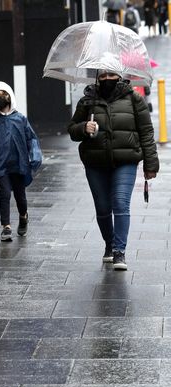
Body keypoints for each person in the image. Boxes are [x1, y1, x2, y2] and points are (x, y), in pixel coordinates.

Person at [68, 70, 159, 270]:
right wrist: (84, 127)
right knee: (102, 208)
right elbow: (72, 130)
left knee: (120, 202)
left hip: (125, 160)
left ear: (119, 75)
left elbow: (146, 131)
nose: (107, 79)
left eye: (112, 75)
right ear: (98, 78)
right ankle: (109, 245)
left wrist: (150, 164)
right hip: (95, 162)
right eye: (103, 76)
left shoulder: (133, 98)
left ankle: (119, 251)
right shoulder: (87, 100)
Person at [0, 82, 42, 242]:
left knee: (20, 196)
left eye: (2, 94)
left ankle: (23, 215)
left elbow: (31, 139)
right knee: (5, 193)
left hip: (19, 165)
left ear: (10, 97)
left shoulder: (20, 119)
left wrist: (35, 157)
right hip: (0, 165)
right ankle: (6, 227)